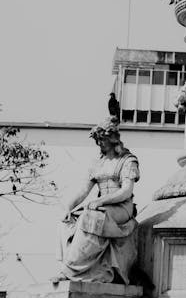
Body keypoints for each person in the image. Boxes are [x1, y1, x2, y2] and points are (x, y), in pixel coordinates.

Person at [53, 118, 140, 284]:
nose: (99, 143)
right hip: (101, 207)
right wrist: (68, 207)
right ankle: (71, 266)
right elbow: (83, 191)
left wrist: (101, 202)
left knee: (90, 217)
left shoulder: (128, 160)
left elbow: (126, 191)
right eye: (97, 140)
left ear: (112, 138)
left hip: (122, 208)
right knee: (66, 222)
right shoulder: (97, 164)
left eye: (102, 139)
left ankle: (71, 270)